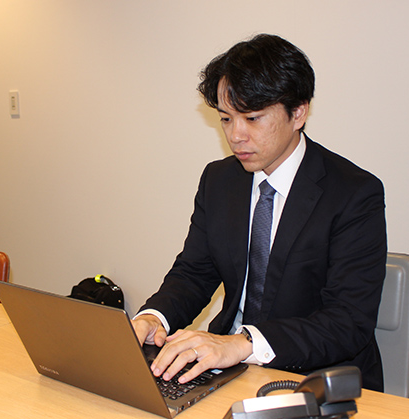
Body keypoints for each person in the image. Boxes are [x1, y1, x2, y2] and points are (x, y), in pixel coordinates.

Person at [132, 33, 387, 392]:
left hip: (317, 378)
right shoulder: (219, 180)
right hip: (229, 369)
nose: (236, 135)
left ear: (298, 113)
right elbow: (194, 273)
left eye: (252, 118)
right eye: (226, 119)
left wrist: (243, 343)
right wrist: (153, 317)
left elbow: (347, 322)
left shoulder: (354, 193)